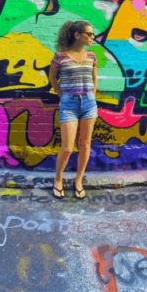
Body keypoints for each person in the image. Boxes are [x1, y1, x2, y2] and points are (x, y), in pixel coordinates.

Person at [49, 20, 98, 200]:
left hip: (89, 103)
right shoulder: (60, 56)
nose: (93, 37)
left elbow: (94, 78)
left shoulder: (91, 56)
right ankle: (58, 179)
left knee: (85, 145)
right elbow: (52, 78)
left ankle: (78, 180)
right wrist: (62, 95)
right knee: (68, 147)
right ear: (78, 35)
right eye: (89, 34)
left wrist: (91, 96)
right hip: (69, 103)